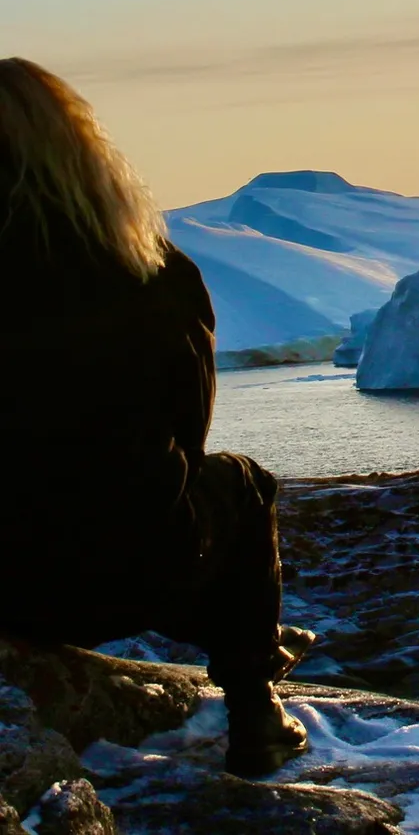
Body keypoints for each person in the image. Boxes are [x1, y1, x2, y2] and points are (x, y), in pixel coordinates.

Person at [0, 58, 313, 777]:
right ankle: (254, 703)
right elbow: (185, 433)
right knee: (239, 484)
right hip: (122, 575)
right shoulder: (150, 272)